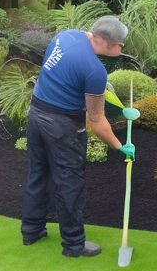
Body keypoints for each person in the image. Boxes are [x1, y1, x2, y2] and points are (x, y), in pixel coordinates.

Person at [20, 16, 136, 258]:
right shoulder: (94, 69)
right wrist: (120, 146)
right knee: (69, 181)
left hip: (37, 115)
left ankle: (31, 230)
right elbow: (96, 121)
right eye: (120, 44)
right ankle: (73, 244)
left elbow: (75, 84)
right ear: (109, 43)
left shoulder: (66, 36)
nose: (122, 48)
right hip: (61, 126)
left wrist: (118, 110)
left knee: (38, 173)